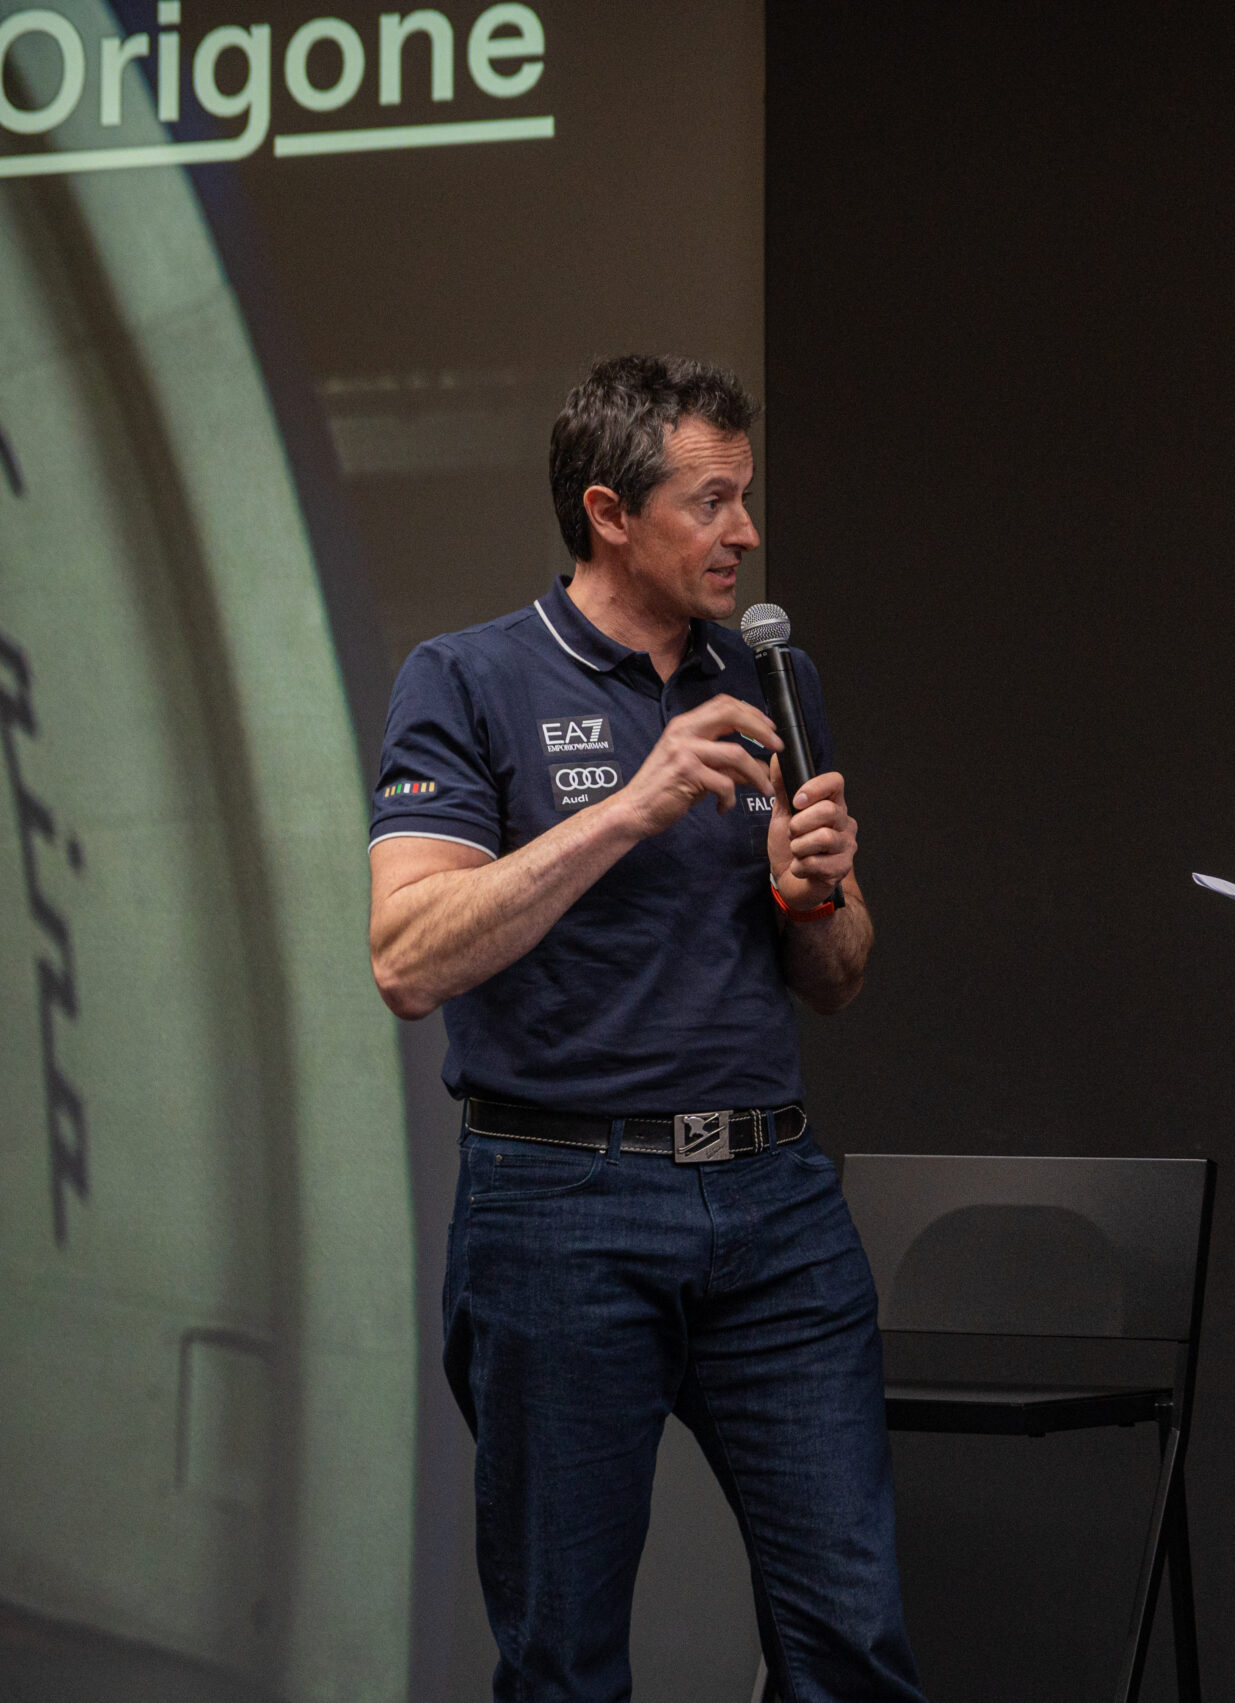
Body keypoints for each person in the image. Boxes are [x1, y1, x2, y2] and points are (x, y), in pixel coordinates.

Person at [367, 355, 925, 1702]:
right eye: (710, 501)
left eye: (747, 497)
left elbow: (838, 976)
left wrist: (815, 896)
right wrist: (632, 803)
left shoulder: (773, 678)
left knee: (852, 1634)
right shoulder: (467, 678)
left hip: (774, 1205)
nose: (745, 531)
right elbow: (408, 958)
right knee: (563, 1658)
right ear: (609, 513)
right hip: (562, 1202)